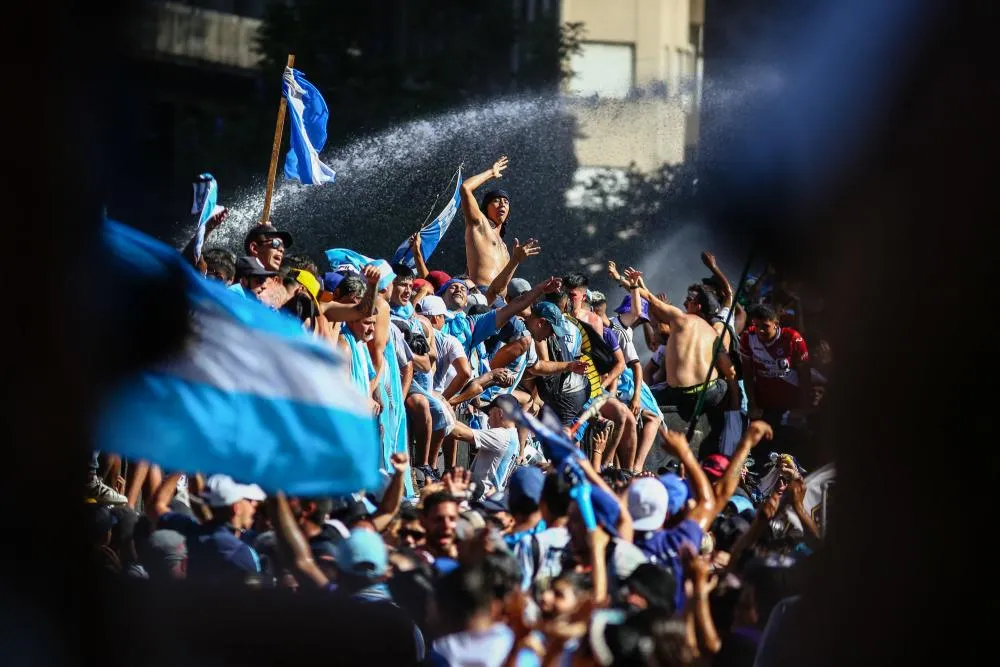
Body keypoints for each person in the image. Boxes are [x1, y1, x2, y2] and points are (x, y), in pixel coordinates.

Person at [625, 267, 737, 423]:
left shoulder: (684, 320)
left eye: (689, 300)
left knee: (642, 393)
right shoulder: (713, 330)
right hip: (708, 393)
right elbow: (729, 372)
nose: (685, 302)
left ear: (698, 307)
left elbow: (651, 300)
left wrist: (632, 285)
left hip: (685, 396)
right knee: (722, 383)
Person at [147, 473, 265, 586]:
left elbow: (156, 507)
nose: (255, 505)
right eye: (250, 500)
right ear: (236, 508)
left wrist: (180, 466)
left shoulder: (194, 531)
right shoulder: (241, 553)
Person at [740, 304, 812, 429]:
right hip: (764, 404)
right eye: (756, 326)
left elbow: (805, 375)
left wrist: (803, 408)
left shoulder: (793, 339)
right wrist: (752, 403)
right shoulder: (748, 338)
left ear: (776, 324)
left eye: (765, 326)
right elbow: (747, 373)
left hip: (790, 404)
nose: (760, 331)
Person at [461, 155, 511, 290]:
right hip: (482, 294)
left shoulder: (505, 247)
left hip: (500, 303)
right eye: (496, 200)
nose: (502, 203)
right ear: (485, 209)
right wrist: (491, 173)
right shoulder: (479, 224)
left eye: (506, 202)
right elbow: (465, 188)